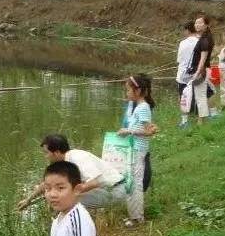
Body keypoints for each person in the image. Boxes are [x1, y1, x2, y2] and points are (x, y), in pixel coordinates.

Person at [17, 134, 126, 211]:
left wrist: (69, 192)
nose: (45, 156)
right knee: (59, 197)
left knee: (65, 200)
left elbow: (94, 183)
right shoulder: (62, 163)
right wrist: (28, 200)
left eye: (46, 153)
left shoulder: (79, 158)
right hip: (101, 190)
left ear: (57, 153)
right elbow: (46, 184)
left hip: (115, 191)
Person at [118, 74, 155, 227]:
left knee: (136, 184)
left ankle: (138, 218)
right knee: (131, 182)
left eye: (128, 90)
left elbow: (148, 131)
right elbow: (144, 127)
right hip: (133, 149)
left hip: (139, 150)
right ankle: (133, 215)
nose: (127, 93)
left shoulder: (143, 108)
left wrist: (130, 132)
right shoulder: (139, 108)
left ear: (138, 91)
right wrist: (128, 129)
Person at [187, 15, 215, 123]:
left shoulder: (205, 40)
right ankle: (203, 118)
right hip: (204, 70)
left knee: (200, 96)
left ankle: (201, 121)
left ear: (206, 25)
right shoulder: (205, 37)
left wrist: (197, 72)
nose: (197, 25)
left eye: (200, 23)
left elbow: (202, 59)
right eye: (196, 23)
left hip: (201, 70)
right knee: (202, 94)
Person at [176, 21, 199, 127]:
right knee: (197, 96)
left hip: (183, 74)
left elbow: (179, 59)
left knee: (183, 97)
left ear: (188, 30)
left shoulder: (183, 43)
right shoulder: (199, 41)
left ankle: (185, 121)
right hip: (196, 74)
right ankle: (197, 117)